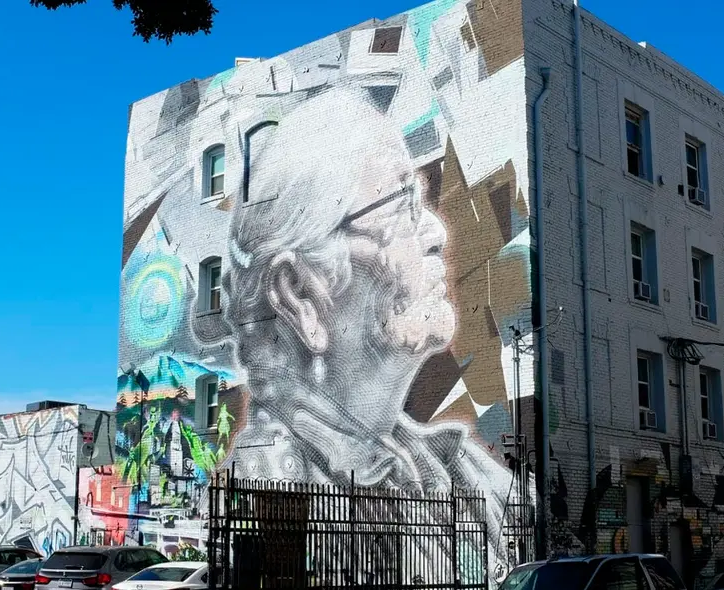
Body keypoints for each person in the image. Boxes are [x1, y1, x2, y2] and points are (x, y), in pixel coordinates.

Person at [216, 83, 515, 583]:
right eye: (402, 206)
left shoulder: (463, 471)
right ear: (301, 297)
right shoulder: (273, 490)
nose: (439, 233)